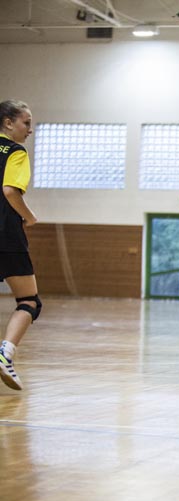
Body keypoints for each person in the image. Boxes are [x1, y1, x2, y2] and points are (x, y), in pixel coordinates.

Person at [0, 100, 40, 391]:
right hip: (6, 234)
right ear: (8, 123)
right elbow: (10, 191)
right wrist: (29, 216)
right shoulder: (15, 151)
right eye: (26, 122)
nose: (30, 129)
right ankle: (5, 353)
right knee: (29, 301)